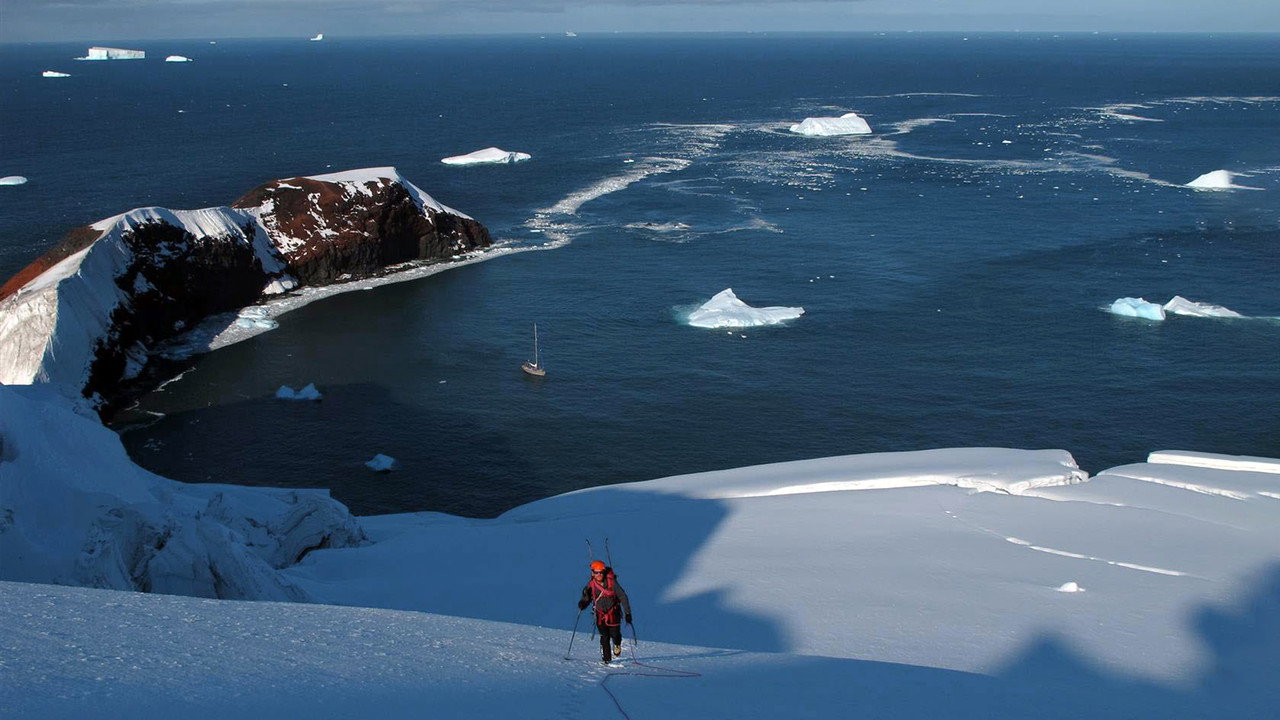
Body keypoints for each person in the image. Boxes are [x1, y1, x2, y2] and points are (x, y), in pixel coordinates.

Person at [578, 560, 632, 664]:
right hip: (600, 615)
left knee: (615, 634)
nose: (599, 575)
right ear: (592, 573)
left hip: (613, 614)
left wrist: (627, 613)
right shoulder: (591, 585)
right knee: (604, 636)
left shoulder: (612, 583)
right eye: (596, 572)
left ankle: (617, 644)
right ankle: (606, 660)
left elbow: (623, 596)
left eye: (601, 572)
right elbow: (587, 598)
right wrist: (583, 603)